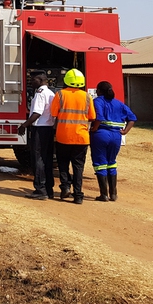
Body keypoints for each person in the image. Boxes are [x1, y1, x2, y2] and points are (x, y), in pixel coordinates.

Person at [51, 68, 96, 204]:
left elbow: (53, 113)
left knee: (63, 164)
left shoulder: (60, 94)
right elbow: (92, 116)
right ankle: (78, 195)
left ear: (66, 80)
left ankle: (65, 187)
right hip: (81, 138)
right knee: (78, 167)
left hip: (63, 137)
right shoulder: (87, 97)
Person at [90, 81, 137, 202]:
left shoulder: (97, 101)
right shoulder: (119, 104)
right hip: (116, 136)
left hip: (101, 134)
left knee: (100, 163)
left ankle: (104, 195)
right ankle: (114, 194)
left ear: (99, 91)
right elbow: (132, 118)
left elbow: (99, 117)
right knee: (111, 162)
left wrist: (94, 129)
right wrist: (125, 131)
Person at [18, 72, 56, 200]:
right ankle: (49, 189)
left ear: (40, 80)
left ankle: (40, 189)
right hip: (49, 129)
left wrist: (24, 125)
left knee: (38, 159)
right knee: (47, 159)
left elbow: (37, 113)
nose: (31, 82)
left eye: (33, 79)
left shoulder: (40, 93)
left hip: (40, 129)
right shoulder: (51, 93)